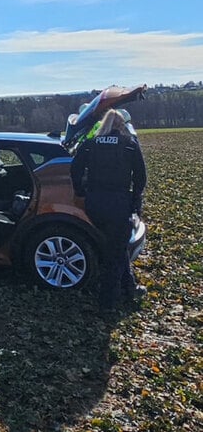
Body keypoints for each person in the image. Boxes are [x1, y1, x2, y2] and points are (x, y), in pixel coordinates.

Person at [70, 108, 147, 313]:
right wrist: (136, 202)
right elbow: (141, 177)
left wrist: (81, 191)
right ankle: (107, 302)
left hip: (94, 203)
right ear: (121, 125)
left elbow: (75, 169)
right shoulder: (129, 145)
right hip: (118, 203)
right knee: (113, 253)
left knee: (117, 246)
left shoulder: (90, 144)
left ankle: (130, 288)